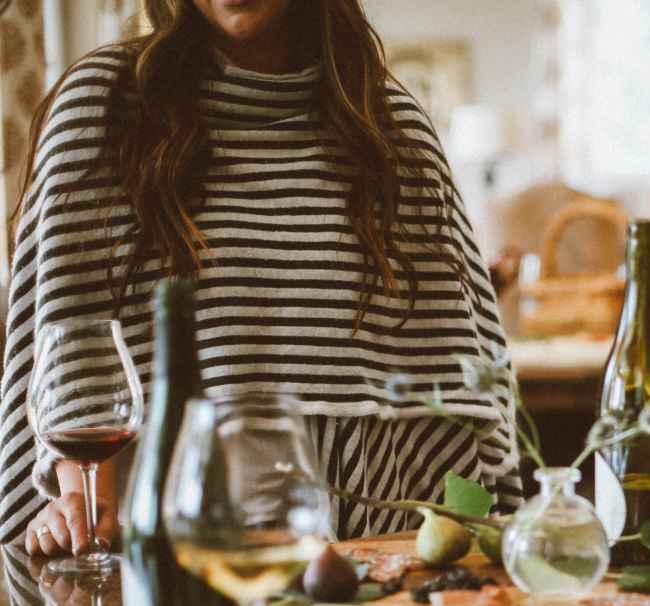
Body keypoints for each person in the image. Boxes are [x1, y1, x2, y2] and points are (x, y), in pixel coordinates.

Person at [3, 0, 522, 555]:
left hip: (372, 541)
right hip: (170, 543)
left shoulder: (390, 125)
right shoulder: (105, 104)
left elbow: (456, 370)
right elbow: (72, 331)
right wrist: (84, 504)